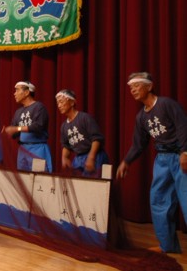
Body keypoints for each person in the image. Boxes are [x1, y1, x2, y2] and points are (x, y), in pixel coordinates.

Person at [116, 72, 187, 254]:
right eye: (131, 88)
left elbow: (182, 126)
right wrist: (126, 161)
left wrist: (185, 151)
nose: (132, 90)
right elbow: (139, 144)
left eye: (136, 86)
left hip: (179, 155)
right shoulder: (141, 117)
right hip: (162, 159)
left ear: (149, 86)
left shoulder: (166, 104)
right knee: (158, 200)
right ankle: (167, 246)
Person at [56, 89, 110, 178]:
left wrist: (91, 157)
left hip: (95, 155)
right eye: (58, 103)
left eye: (61, 102)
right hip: (79, 158)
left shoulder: (84, 118)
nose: (59, 106)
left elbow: (96, 139)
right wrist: (64, 158)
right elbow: (66, 145)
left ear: (72, 102)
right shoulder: (64, 126)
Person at [4, 81, 53, 172]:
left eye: (17, 90)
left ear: (27, 92)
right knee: (24, 179)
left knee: (40, 179)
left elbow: (38, 126)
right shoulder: (18, 112)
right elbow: (15, 132)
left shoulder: (39, 107)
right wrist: (7, 133)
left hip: (37, 149)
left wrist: (16, 128)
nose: (14, 94)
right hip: (23, 150)